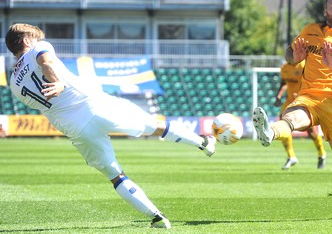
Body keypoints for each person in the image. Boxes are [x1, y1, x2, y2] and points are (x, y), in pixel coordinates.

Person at [5, 23, 217, 229]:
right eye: (35, 38)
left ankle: (157, 218)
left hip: (74, 128)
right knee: (154, 126)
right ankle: (203, 143)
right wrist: (58, 82)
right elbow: (46, 62)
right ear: (26, 40)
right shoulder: (39, 49)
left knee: (116, 176)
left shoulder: (14, 84)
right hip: (94, 105)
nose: (39, 40)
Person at [253, 0, 332, 218]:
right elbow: (289, 55)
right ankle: (269, 132)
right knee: (292, 117)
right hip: (309, 97)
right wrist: (294, 56)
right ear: (325, 11)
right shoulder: (310, 30)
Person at [274, 61, 326, 170]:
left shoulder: (303, 66)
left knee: (311, 132)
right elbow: (284, 83)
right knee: (282, 124)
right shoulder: (285, 68)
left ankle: (322, 154)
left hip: (303, 101)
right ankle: (291, 156)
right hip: (290, 101)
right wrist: (279, 96)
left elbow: (312, 83)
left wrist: (301, 94)